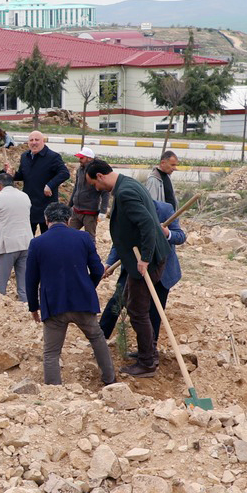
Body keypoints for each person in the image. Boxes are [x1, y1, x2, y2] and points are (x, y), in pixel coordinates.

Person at [88, 158, 169, 378]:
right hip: (142, 259)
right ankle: (148, 352)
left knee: (137, 311)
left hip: (146, 262)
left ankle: (147, 363)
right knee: (129, 299)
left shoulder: (125, 193)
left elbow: (146, 224)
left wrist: (144, 258)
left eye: (94, 184)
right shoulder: (127, 183)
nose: (96, 189)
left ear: (100, 177)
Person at [25, 204, 116, 387]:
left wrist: (34, 307)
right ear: (68, 220)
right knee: (97, 338)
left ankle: (54, 390)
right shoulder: (83, 237)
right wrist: (89, 287)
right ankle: (110, 380)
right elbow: (98, 270)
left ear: (46, 220)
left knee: (51, 352)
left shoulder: (37, 243)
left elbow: (31, 279)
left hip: (54, 304)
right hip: (83, 300)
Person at [0, 172, 32, 296]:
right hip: (26, 243)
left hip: (7, 245)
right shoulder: (25, 196)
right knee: (24, 286)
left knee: (0, 287)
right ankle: (26, 309)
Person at [14, 130, 69, 230]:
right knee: (28, 238)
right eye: (31, 140)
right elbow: (22, 175)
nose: (34, 142)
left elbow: (64, 173)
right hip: (29, 205)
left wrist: (50, 185)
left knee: (47, 238)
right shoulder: (24, 156)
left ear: (43, 141)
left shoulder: (53, 157)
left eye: (37, 140)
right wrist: (12, 174)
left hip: (47, 205)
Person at [150, 198, 187, 343]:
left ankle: (150, 350)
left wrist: (167, 233)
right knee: (139, 311)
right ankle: (145, 349)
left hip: (163, 272)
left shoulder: (165, 210)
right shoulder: (132, 211)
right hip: (142, 269)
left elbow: (180, 236)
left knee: (155, 312)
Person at [68, 148, 109, 239]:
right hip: (76, 210)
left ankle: (90, 253)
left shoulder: (97, 172)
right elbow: (76, 188)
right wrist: (69, 205)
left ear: (89, 158)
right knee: (69, 235)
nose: (79, 160)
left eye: (82, 158)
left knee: (90, 238)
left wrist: (103, 211)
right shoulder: (80, 170)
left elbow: (105, 192)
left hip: (90, 213)